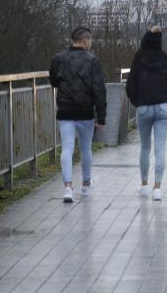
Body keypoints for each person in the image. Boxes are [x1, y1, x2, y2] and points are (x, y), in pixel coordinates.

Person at [126, 26, 167, 201]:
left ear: (144, 41)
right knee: (160, 148)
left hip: (144, 108)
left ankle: (144, 185)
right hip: (163, 107)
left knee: (145, 147)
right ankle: (158, 189)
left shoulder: (139, 58)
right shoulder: (165, 59)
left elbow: (130, 84)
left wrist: (137, 101)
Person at [49, 26, 106, 203]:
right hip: (85, 111)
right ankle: (86, 185)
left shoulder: (58, 58)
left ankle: (67, 187)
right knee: (85, 148)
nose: (90, 44)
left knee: (66, 148)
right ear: (85, 41)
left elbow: (53, 81)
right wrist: (101, 116)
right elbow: (99, 89)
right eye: (90, 41)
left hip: (65, 110)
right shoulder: (92, 60)